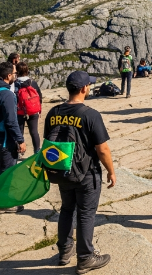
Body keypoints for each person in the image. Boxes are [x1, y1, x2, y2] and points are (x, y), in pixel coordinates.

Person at [44, 70, 115, 272]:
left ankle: (65, 251)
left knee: (67, 209)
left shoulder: (53, 113)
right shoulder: (90, 115)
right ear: (84, 89)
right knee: (85, 214)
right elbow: (102, 149)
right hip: (86, 174)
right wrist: (111, 171)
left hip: (62, 171)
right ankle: (85, 258)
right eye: (89, 85)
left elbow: (48, 144)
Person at [0, 62, 25, 180]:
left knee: (4, 171)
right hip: (4, 140)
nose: (15, 75)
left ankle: (1, 195)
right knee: (7, 175)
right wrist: (20, 140)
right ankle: (2, 197)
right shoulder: (6, 94)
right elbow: (11, 121)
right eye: (15, 73)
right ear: (8, 76)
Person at [15, 61, 43, 154]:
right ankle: (37, 151)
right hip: (33, 111)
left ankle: (19, 152)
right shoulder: (33, 83)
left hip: (19, 112)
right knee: (34, 132)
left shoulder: (15, 84)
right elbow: (39, 96)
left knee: (19, 132)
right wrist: (39, 110)